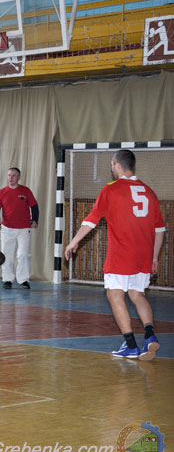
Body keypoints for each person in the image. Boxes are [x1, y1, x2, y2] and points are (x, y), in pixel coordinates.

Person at [65, 150, 165, 361]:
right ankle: (149, 334)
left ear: (117, 165)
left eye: (112, 164)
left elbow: (91, 221)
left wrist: (74, 241)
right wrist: (154, 257)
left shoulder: (111, 189)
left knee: (115, 295)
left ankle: (131, 345)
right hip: (144, 254)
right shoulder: (149, 191)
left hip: (121, 254)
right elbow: (160, 229)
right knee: (137, 294)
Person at [0, 167, 39, 289]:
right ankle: (7, 279)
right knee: (7, 254)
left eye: (13, 175)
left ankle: (23, 279)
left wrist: (35, 220)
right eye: (9, 175)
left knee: (23, 254)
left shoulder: (26, 191)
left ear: (19, 177)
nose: (11, 178)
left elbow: (34, 206)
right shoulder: (1, 192)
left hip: (24, 229)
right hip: (7, 229)